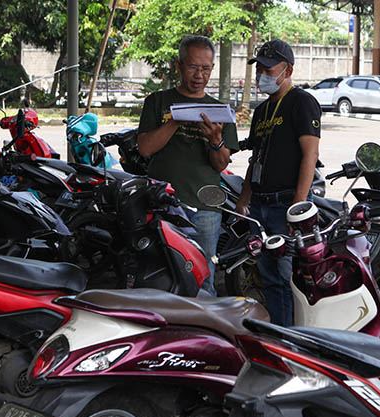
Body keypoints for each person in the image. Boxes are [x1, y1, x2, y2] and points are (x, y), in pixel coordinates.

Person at [137, 35, 239, 295]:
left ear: (212, 69)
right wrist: (176, 120)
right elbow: (145, 148)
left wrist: (216, 140)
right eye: (193, 67)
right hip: (163, 204)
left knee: (203, 277)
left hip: (205, 206)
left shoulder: (220, 111)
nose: (199, 75)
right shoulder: (158, 102)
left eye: (205, 69)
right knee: (161, 274)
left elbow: (220, 165)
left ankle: (206, 333)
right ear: (178, 65)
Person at [235, 39, 321, 326]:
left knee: (285, 276)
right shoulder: (261, 112)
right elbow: (255, 157)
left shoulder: (302, 102)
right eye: (260, 68)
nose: (263, 75)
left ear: (289, 70)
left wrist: (298, 207)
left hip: (284, 204)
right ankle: (277, 332)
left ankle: (289, 338)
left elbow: (311, 154)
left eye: (270, 70)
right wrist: (245, 198)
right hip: (259, 205)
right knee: (268, 274)